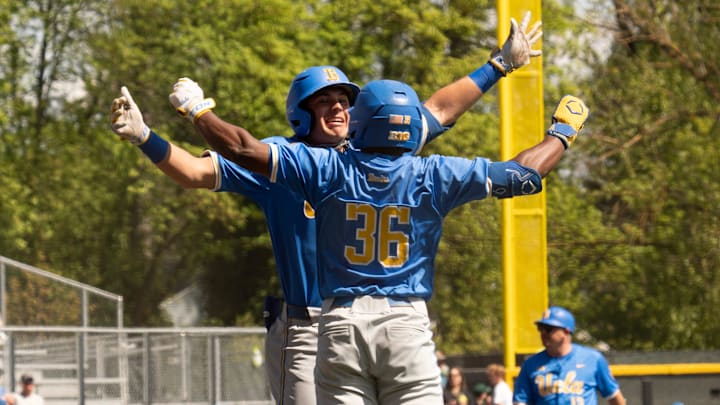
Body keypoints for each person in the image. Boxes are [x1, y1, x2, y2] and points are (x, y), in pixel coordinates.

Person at [110, 12, 543, 405]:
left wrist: (497, 66)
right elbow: (194, 172)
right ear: (301, 113)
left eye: (344, 100)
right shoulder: (280, 157)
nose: (339, 107)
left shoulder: (375, 147)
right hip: (307, 327)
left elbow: (438, 109)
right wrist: (146, 137)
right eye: (325, 101)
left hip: (377, 320)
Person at [513, 306, 627, 405]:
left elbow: (614, 396)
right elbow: (521, 401)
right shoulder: (530, 364)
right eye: (540, 329)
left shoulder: (592, 359)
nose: (543, 334)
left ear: (566, 331)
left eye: (548, 329)